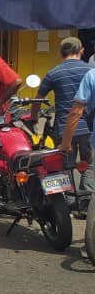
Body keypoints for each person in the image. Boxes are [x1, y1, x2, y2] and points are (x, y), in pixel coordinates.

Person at [36, 37, 94, 193]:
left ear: (61, 53)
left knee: (61, 165)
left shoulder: (54, 73)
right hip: (88, 128)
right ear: (81, 51)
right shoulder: (90, 71)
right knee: (88, 164)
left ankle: (63, 204)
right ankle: (85, 201)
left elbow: (39, 97)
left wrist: (34, 116)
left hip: (63, 127)